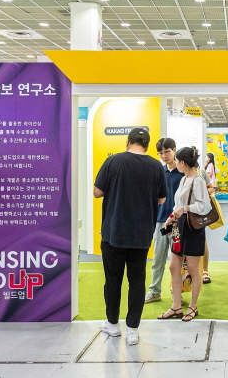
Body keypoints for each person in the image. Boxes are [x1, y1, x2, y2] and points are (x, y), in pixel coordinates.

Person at [94, 128, 167, 345]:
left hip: (113, 232)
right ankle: (133, 330)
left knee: (113, 280)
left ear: (127, 142)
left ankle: (113, 324)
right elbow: (162, 199)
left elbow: (97, 192)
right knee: (137, 280)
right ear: (147, 144)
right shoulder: (156, 166)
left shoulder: (113, 161)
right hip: (141, 233)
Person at [159, 147, 211, 322]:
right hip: (179, 225)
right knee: (174, 266)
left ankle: (193, 306)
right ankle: (176, 306)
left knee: (194, 268)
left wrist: (185, 209)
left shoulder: (198, 180)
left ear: (182, 162)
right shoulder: (183, 180)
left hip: (193, 227)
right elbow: (177, 205)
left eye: (177, 161)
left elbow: (204, 207)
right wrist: (171, 218)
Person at [145, 138, 185, 304]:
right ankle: (154, 291)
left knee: (177, 261)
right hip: (161, 221)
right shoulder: (158, 171)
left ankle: (177, 294)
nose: (164, 155)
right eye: (161, 153)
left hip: (178, 222)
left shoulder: (183, 172)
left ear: (174, 150)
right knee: (158, 259)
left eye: (167, 151)